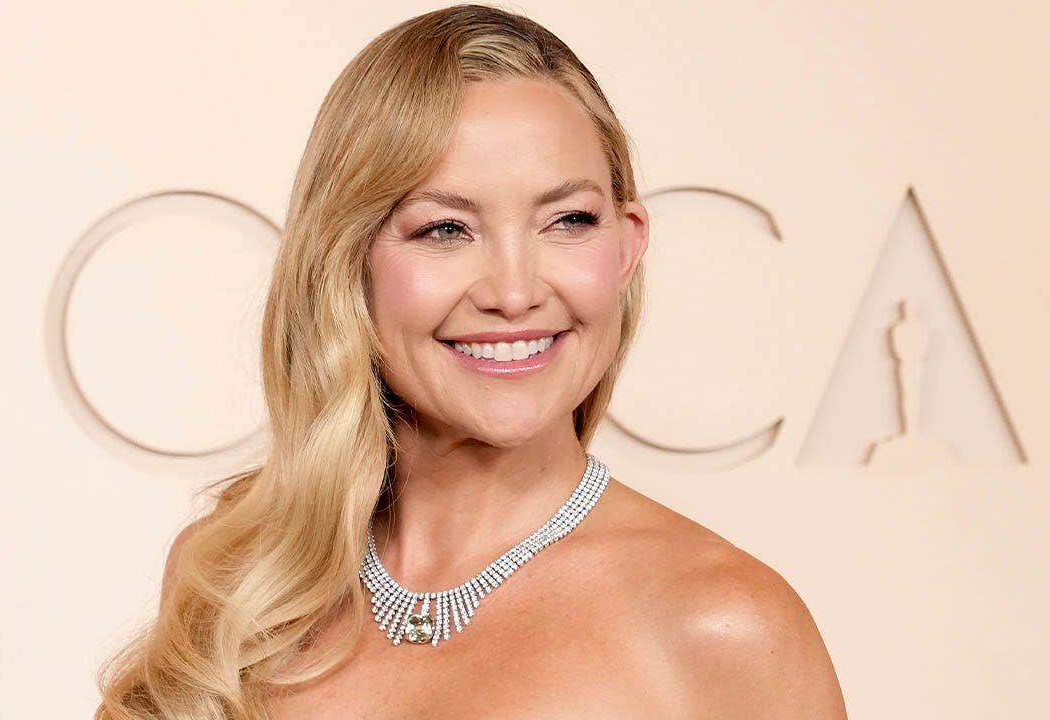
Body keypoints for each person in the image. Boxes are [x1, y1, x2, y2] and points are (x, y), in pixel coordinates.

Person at [95, 4, 847, 718]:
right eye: (446, 229)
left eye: (568, 220)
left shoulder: (723, 625)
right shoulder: (240, 576)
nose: (514, 294)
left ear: (627, 245)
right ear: (345, 260)